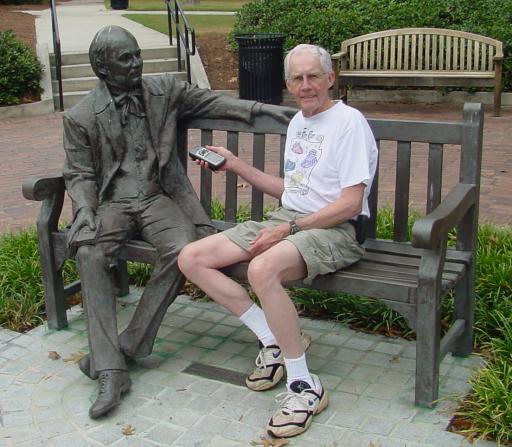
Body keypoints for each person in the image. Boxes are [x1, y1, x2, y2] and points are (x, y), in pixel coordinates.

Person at [63, 25, 293, 419]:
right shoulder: (80, 115)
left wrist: (261, 109)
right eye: (125, 59)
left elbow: (210, 101)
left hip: (156, 198)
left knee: (184, 250)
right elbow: (79, 173)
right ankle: (112, 371)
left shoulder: (163, 90)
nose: (136, 64)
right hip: (113, 203)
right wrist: (84, 210)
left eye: (137, 54)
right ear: (102, 68)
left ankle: (128, 346)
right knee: (90, 253)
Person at [178, 43, 378, 438]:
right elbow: (293, 190)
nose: (306, 85)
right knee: (191, 258)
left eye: (313, 76)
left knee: (262, 268)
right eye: (297, 78)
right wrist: (235, 164)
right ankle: (273, 339)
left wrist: (288, 230)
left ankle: (304, 386)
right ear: (288, 84)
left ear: (330, 78)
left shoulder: (349, 122)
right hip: (292, 220)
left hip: (338, 230)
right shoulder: (299, 123)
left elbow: (351, 204)